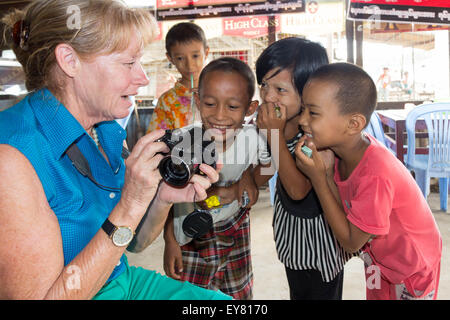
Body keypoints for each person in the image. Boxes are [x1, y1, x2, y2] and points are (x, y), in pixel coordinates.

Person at [0, 0, 231, 300]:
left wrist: (161, 198)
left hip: (118, 279)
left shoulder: (104, 130)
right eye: (128, 63)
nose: (143, 78)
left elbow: (131, 243)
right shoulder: (12, 160)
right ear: (69, 60)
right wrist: (131, 205)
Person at [294, 62, 442, 300]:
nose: (302, 120)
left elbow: (351, 241)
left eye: (312, 112)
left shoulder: (375, 174)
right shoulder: (340, 154)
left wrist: (319, 179)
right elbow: (347, 214)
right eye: (303, 110)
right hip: (379, 260)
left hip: (410, 269)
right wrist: (327, 171)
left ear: (353, 124)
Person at [159, 57, 271, 300]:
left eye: (232, 107)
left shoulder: (253, 138)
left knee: (238, 294)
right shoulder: (183, 140)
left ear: (250, 109)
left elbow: (271, 164)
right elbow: (166, 195)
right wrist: (170, 240)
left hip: (235, 228)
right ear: (198, 101)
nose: (220, 116)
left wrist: (249, 179)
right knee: (190, 297)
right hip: (191, 236)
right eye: (210, 104)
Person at [252, 37, 353, 300]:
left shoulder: (317, 135)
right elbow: (267, 170)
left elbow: (298, 190)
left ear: (308, 92)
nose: (268, 96)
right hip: (293, 242)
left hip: (321, 250)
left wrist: (273, 135)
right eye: (264, 84)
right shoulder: (276, 126)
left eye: (280, 90)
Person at [146, 22, 209, 132]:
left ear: (206, 52)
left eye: (195, 56)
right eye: (180, 58)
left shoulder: (220, 92)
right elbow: (156, 140)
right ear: (170, 58)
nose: (189, 65)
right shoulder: (167, 102)